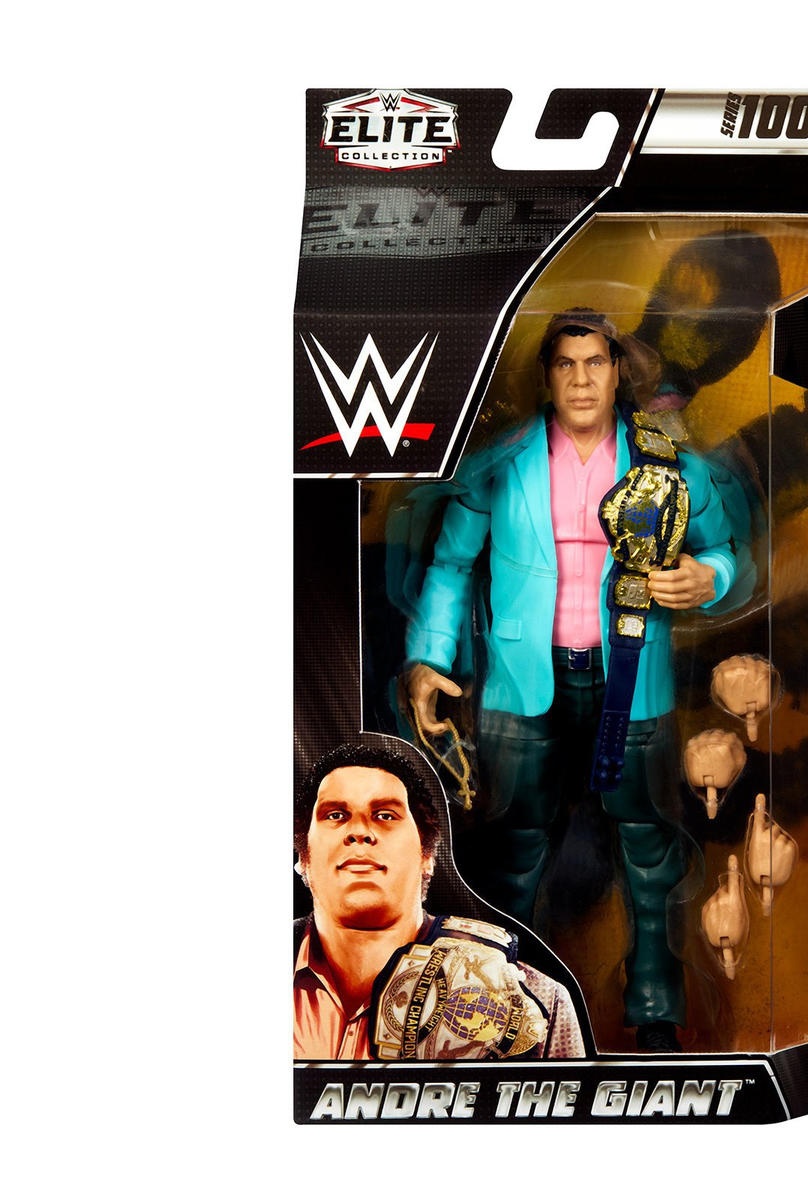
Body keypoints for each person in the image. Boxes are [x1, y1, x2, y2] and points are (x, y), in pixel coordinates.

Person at [405, 308, 737, 1051]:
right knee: (513, 849)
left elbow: (724, 550)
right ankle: (496, 1010)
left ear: (618, 373)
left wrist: (705, 578)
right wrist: (428, 659)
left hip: (633, 678)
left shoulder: (665, 462)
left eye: (595, 363)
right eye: (566, 364)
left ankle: (655, 1010)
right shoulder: (502, 462)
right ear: (546, 375)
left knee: (648, 850)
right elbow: (451, 563)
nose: (581, 380)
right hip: (523, 684)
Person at [293, 737, 585, 1060]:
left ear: (427, 855)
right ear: (303, 856)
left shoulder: (538, 1003)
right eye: (335, 815)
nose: (359, 831)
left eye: (385, 815)